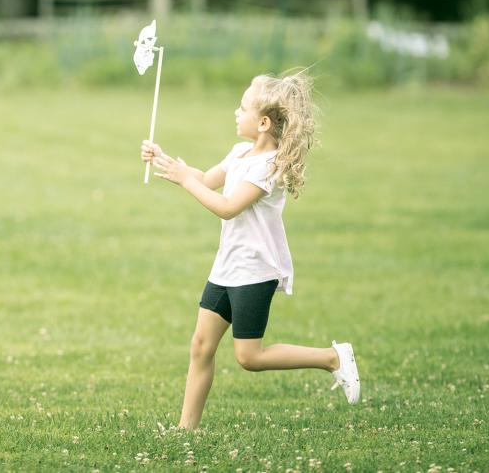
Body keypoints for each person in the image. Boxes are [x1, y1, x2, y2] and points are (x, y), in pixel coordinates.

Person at [141, 71, 360, 431]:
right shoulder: (241, 152)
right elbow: (206, 179)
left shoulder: (269, 168)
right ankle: (186, 430)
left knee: (249, 357)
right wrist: (167, 162)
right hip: (227, 266)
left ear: (261, 123)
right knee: (200, 346)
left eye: (242, 107)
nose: (235, 112)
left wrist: (184, 181)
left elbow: (228, 206)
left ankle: (333, 357)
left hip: (255, 270)